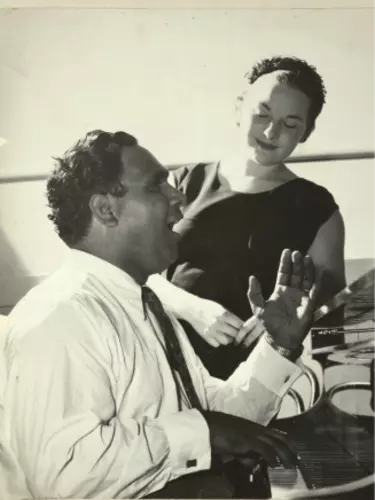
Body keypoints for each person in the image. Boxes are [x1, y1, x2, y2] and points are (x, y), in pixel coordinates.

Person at [0, 130, 317, 499]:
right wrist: (203, 431)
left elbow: (216, 413)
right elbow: (64, 474)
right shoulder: (58, 317)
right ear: (106, 209)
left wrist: (279, 345)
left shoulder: (145, 306)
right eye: (156, 186)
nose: (178, 195)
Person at [148, 56, 346, 379]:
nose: (271, 131)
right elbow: (138, 272)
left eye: (291, 124)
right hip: (167, 374)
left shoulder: (320, 210)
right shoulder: (182, 183)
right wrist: (191, 308)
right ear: (240, 107)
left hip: (256, 386)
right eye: (262, 113)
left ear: (306, 133)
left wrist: (284, 329)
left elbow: (332, 325)